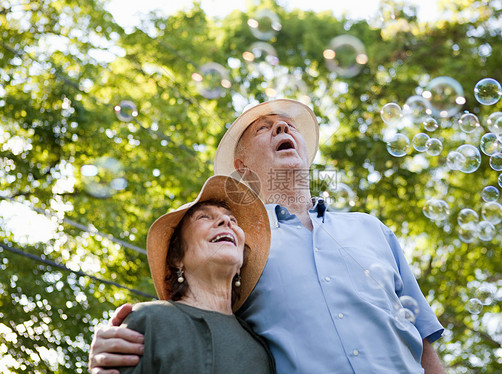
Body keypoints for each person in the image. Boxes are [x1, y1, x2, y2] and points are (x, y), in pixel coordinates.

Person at [89, 99, 447, 373]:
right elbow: (205, 317)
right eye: (264, 129)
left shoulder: (372, 229)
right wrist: (132, 338)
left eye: (289, 126)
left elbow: (423, 342)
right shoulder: (239, 248)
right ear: (242, 166)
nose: (282, 130)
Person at [111, 175, 275, 373]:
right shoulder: (147, 321)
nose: (226, 221)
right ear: (176, 257)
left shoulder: (259, 351)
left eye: (233, 219)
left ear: (240, 264)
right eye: (204, 216)